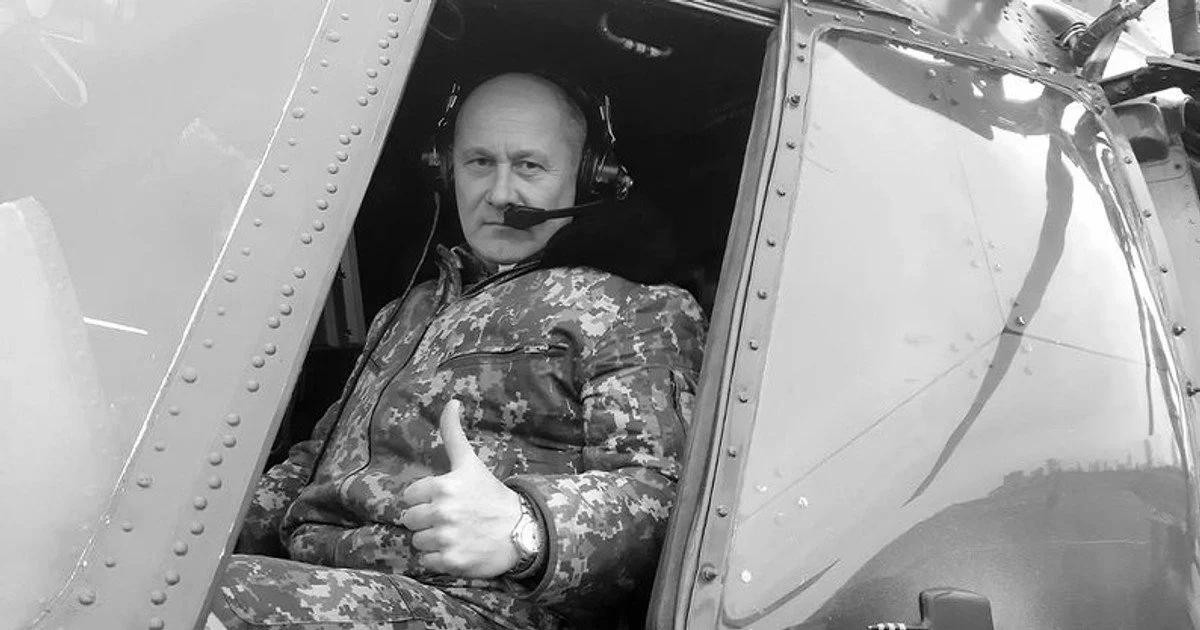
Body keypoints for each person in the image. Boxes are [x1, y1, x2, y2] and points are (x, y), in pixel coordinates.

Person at [210, 72, 707, 629]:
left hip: (476, 605)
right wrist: (192, 535)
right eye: (479, 163)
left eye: (529, 166)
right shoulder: (408, 310)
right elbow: (312, 464)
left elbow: (660, 494)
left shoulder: (634, 307)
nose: (500, 194)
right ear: (447, 170)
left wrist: (525, 528)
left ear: (590, 177)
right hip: (323, 579)